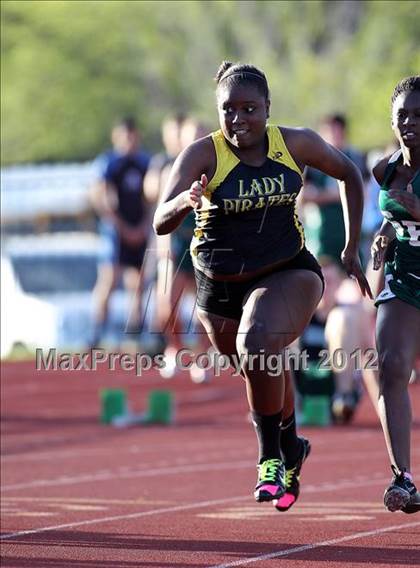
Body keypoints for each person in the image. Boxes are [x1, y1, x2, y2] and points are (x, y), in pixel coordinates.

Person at [153, 61, 371, 510]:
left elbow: (349, 173)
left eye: (249, 109)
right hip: (219, 287)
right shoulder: (202, 154)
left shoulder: (295, 143)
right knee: (260, 367)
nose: (238, 120)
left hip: (288, 270)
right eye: (228, 110)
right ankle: (292, 446)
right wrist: (184, 200)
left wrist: (350, 248)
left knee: (259, 341)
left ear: (268, 108)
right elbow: (160, 220)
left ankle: (270, 457)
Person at [370, 76, 420, 514]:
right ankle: (402, 478)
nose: (411, 123)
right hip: (404, 282)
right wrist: (384, 233)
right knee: (390, 368)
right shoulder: (383, 169)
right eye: (403, 114)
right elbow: (393, 213)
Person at [89, 117, 151, 347]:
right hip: (115, 233)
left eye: (133, 137)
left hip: (140, 229)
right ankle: (96, 334)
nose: (130, 142)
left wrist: (144, 226)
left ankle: (135, 334)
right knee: (109, 280)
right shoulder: (108, 163)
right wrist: (122, 228)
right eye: (126, 137)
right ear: (116, 137)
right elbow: (101, 198)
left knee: (138, 282)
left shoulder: (145, 162)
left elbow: (151, 198)